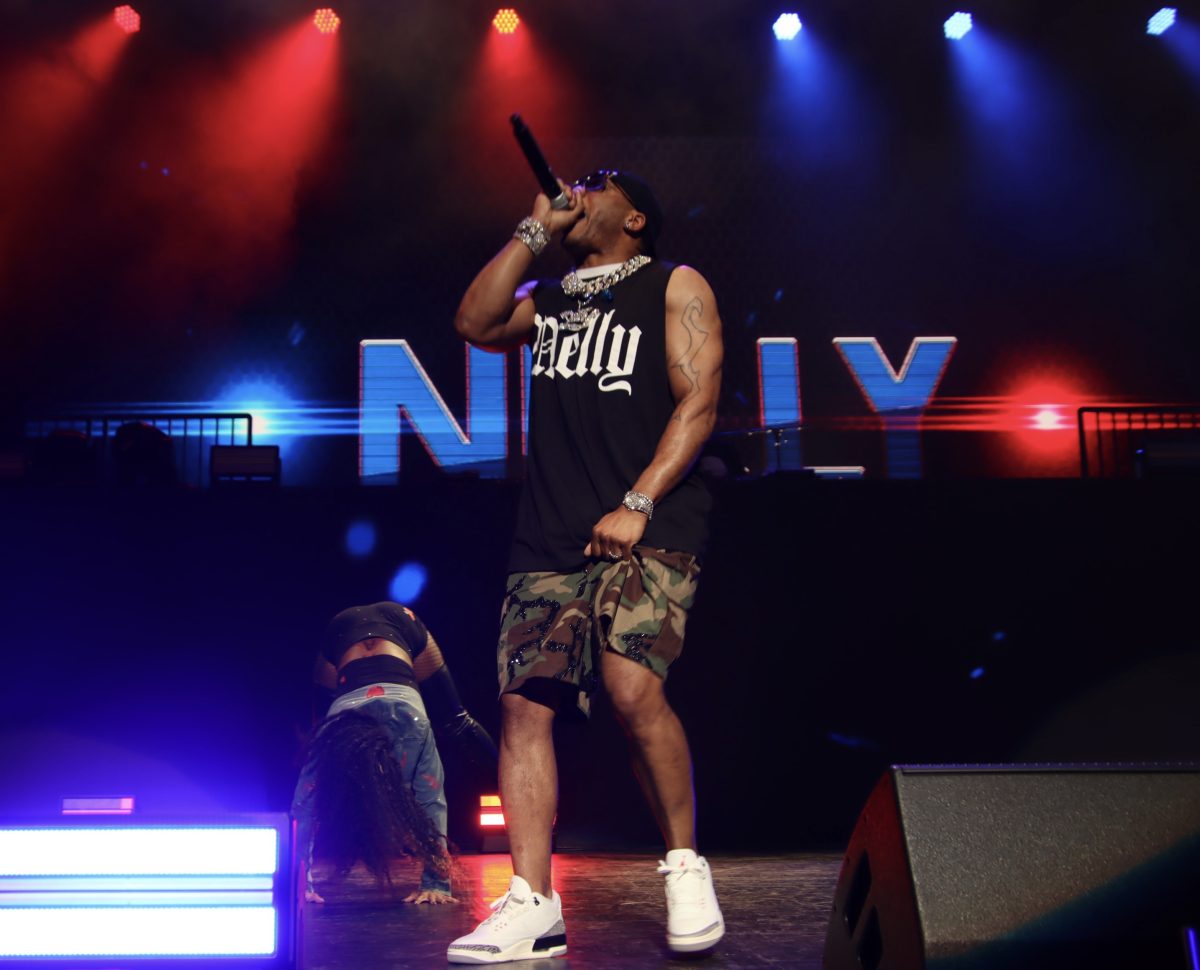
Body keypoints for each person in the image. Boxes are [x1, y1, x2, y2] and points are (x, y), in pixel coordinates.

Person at [446, 170, 724, 963]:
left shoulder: (674, 284)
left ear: (634, 218)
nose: (578, 190)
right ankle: (533, 904)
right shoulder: (552, 298)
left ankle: (684, 864)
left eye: (597, 186)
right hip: (552, 530)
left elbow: (698, 403)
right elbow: (475, 321)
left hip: (650, 519)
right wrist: (533, 231)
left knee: (632, 687)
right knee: (524, 705)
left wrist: (637, 501)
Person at [293, 601, 497, 905]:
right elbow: (430, 802)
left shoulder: (342, 739)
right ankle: (513, 785)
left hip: (347, 631)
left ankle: (514, 786)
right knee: (457, 720)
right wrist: (436, 884)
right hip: (389, 624)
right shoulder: (406, 732)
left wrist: (299, 885)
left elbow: (305, 805)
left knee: (318, 739)